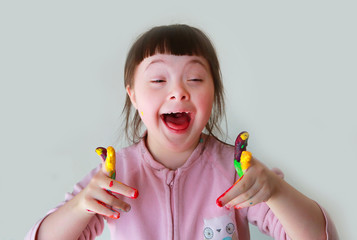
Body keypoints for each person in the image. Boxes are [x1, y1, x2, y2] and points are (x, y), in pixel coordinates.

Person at [26, 24, 338, 240]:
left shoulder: (236, 170)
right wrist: (82, 204)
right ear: (133, 95)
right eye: (159, 80)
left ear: (214, 93)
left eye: (195, 79)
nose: (178, 92)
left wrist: (276, 190)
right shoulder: (115, 173)